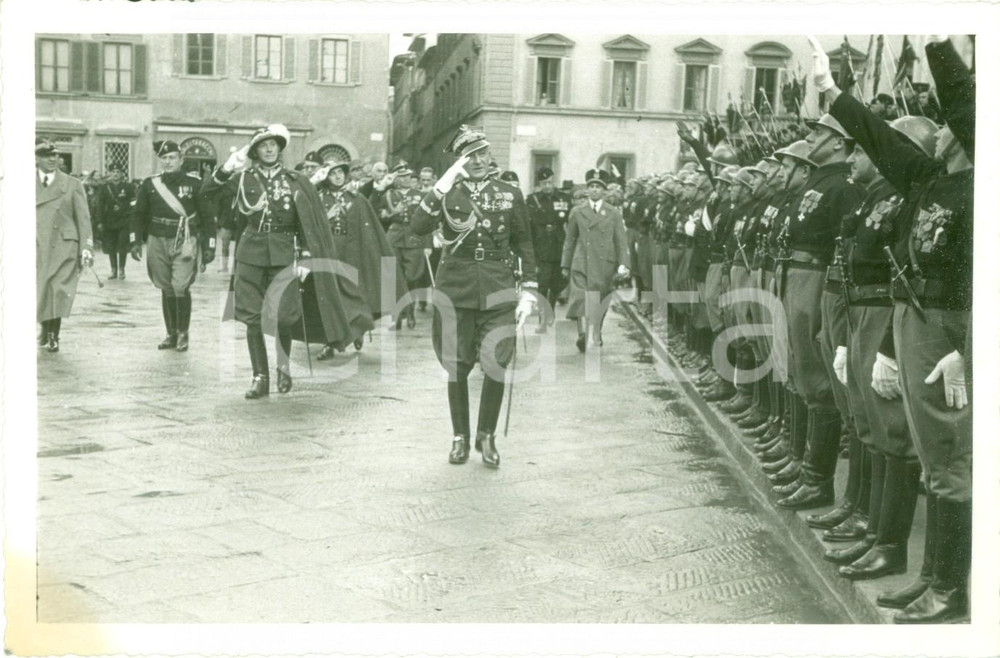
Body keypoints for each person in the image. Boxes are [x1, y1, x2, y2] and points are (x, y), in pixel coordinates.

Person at [813, 34, 973, 624]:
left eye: (958, 120)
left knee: (953, 462)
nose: (951, 125)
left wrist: (936, 40)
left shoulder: (982, 184)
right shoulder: (931, 180)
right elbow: (881, 141)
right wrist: (835, 93)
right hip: (915, 320)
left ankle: (951, 587)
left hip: (949, 330)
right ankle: (931, 575)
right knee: (934, 458)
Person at [201, 124, 374, 398]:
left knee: (283, 316)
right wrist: (227, 168)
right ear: (255, 150)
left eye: (274, 144)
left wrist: (306, 256)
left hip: (285, 254)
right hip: (250, 254)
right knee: (253, 318)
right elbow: (208, 193)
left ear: (280, 148)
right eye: (263, 145)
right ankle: (260, 376)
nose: (269, 149)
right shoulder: (243, 178)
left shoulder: (296, 181)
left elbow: (309, 221)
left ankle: (283, 365)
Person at [410, 125, 538, 468]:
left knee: (495, 363)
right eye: (470, 156)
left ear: (490, 155)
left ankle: (487, 435)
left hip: (497, 287)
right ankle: (460, 437)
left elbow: (523, 243)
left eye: (482, 153)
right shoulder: (447, 193)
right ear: (459, 160)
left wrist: (528, 290)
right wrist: (442, 184)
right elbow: (418, 226)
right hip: (455, 287)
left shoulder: (509, 193)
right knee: (456, 366)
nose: (479, 160)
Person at [772, 113, 864, 511]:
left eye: (820, 132)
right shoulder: (819, 179)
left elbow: (845, 241)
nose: (810, 137)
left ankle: (817, 479)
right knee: (803, 374)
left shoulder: (843, 184)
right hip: (797, 274)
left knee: (818, 382)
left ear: (840, 142)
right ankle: (805, 463)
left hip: (816, 277)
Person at [311, 159, 408, 359]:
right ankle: (330, 343)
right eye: (332, 173)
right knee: (330, 298)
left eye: (340, 172)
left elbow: (372, 212)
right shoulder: (318, 198)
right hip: (328, 251)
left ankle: (357, 329)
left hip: (352, 251)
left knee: (354, 294)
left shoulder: (356, 198)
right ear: (326, 177)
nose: (337, 176)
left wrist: (379, 190)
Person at [129, 140, 215, 352]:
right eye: (164, 158)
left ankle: (183, 333)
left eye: (172, 158)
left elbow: (208, 216)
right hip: (157, 237)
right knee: (165, 286)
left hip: (185, 239)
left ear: (181, 159)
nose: (168, 162)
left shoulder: (195, 184)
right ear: (160, 160)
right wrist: (134, 240)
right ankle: (171, 333)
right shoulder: (150, 184)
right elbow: (138, 214)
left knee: (180, 286)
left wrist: (210, 244)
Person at [561, 168, 630, 351]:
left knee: (600, 302)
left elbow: (621, 241)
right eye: (591, 186)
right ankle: (583, 334)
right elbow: (570, 239)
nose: (594, 190)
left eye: (598, 187)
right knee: (580, 298)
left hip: (604, 264)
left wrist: (624, 264)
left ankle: (596, 331)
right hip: (581, 262)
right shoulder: (577, 211)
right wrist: (565, 264)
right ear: (586, 189)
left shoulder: (613, 213)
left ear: (604, 191)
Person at [36, 138, 94, 353]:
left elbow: (84, 219)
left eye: (55, 155)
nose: (52, 159)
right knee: (40, 288)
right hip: (36, 245)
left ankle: (53, 334)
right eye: (46, 156)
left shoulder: (72, 184)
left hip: (64, 246)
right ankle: (44, 327)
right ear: (36, 159)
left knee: (58, 290)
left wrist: (86, 248)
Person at [380, 163, 426, 330]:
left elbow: (427, 220)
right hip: (395, 235)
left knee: (413, 276)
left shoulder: (420, 195)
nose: (407, 179)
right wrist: (393, 213)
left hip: (414, 236)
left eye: (408, 175)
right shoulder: (388, 195)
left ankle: (410, 310)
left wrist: (426, 242)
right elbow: (381, 216)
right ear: (395, 179)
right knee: (394, 276)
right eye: (402, 176)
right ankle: (397, 315)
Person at [526, 166, 570, 333]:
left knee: (558, 283)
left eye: (550, 182)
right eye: (544, 183)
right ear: (539, 184)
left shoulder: (564, 198)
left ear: (554, 181)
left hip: (560, 246)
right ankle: (543, 320)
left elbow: (571, 222)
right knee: (542, 285)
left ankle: (550, 310)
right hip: (541, 247)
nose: (548, 186)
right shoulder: (532, 200)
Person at [97, 165, 135, 280]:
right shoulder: (104, 188)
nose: (115, 174)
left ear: (122, 174)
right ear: (109, 174)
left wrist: (130, 215)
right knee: (111, 245)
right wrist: (99, 221)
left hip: (124, 220)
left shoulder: (128, 187)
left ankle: (122, 269)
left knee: (122, 244)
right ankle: (113, 269)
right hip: (109, 221)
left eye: (118, 171)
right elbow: (100, 205)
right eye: (113, 172)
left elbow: (133, 203)